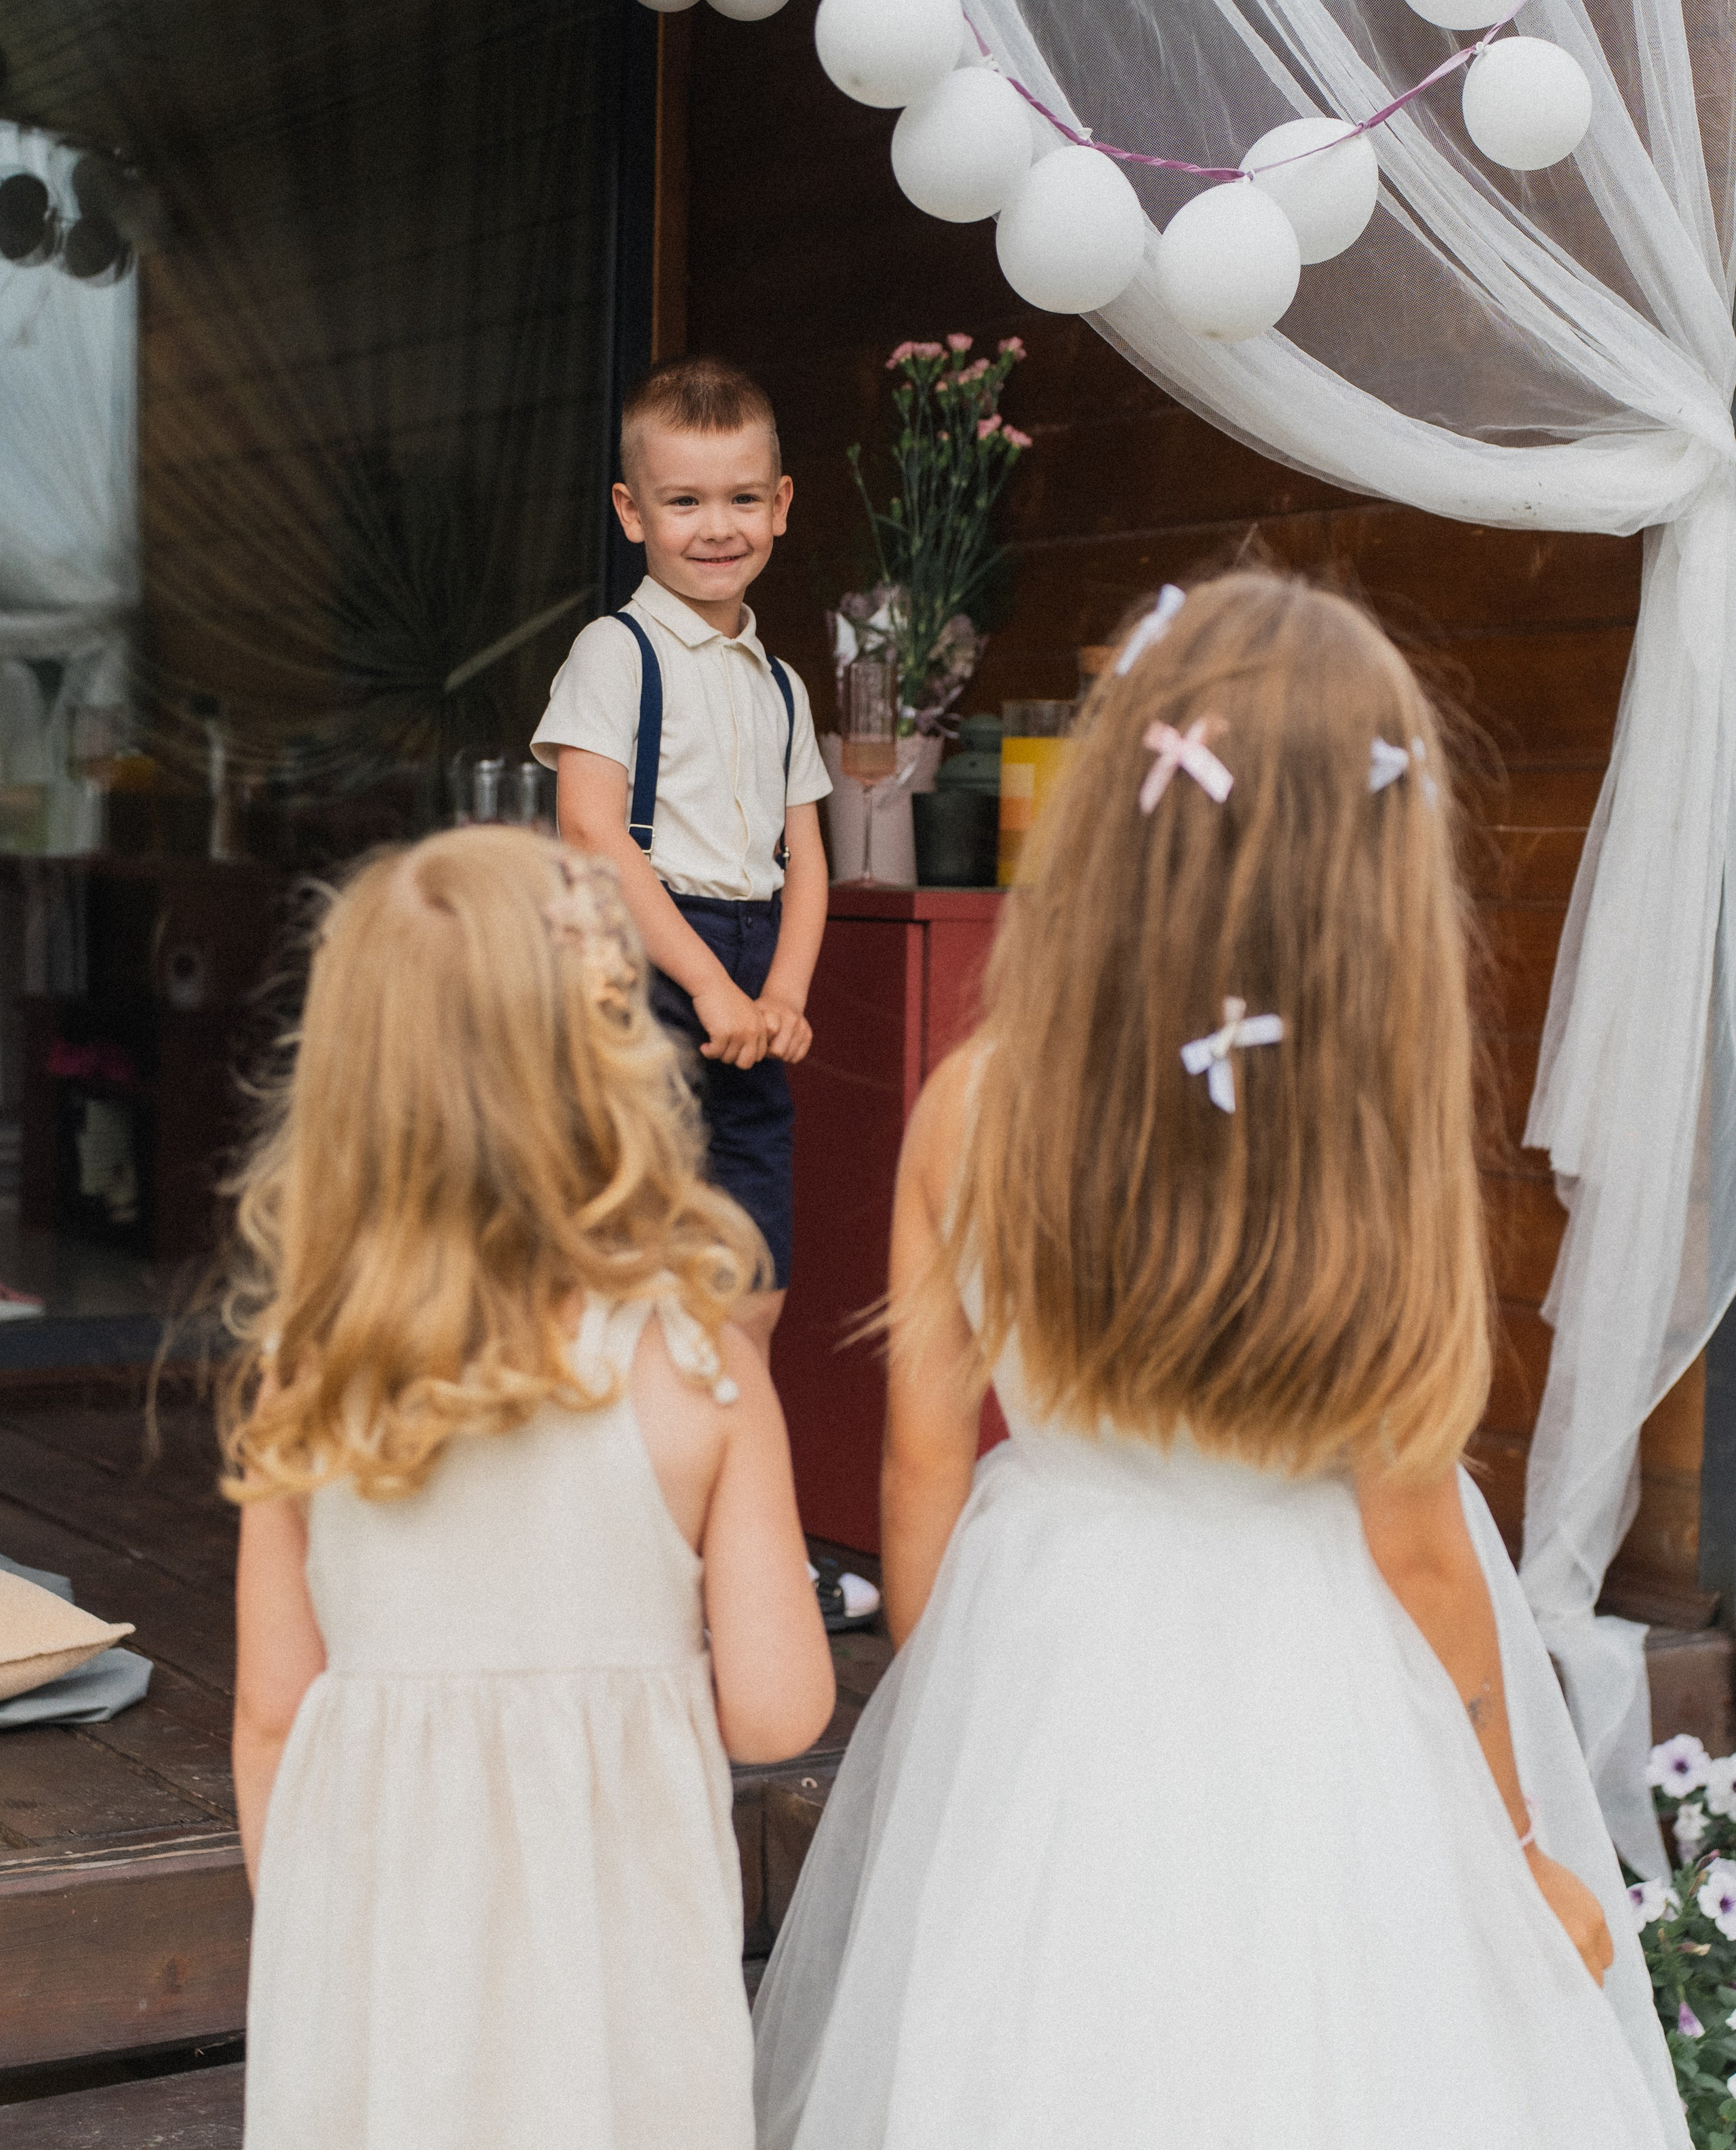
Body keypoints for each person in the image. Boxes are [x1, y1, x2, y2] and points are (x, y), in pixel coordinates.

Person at [753, 574, 1690, 2150]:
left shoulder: (974, 1103)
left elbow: (919, 1460)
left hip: (1043, 1655)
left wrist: (948, 1721)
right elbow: (1416, 1548)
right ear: (1366, 874)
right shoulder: (1361, 1152)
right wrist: (1514, 1836)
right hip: (1306, 1680)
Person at [226, 829, 835, 2150]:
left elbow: (270, 1719)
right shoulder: (699, 1369)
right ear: (611, 1062)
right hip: (623, 1990)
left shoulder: (311, 1374)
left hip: (380, 1987)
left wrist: (321, 1957)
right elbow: (780, 1710)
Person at [533, 356, 829, 1370]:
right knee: (626, 1241)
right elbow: (590, 831)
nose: (717, 527)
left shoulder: (783, 684)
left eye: (742, 499)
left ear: (780, 505)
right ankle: (622, 1445)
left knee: (752, 1261)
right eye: (685, 501)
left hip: (750, 972)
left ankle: (727, 1445)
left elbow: (806, 858)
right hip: (647, 964)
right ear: (633, 512)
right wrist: (706, 983)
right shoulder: (615, 652)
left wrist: (783, 992)